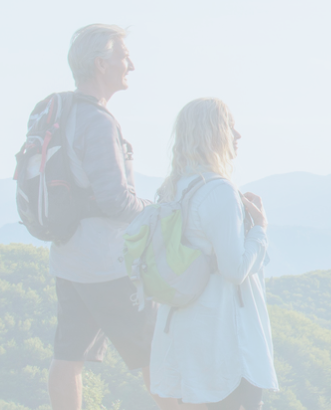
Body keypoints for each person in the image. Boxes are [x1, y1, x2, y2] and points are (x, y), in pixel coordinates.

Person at [48, 24, 179, 410]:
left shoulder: (65, 114)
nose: (131, 65)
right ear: (101, 64)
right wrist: (161, 214)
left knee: (68, 355)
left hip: (68, 256)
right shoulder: (98, 122)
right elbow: (115, 200)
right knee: (156, 352)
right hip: (107, 263)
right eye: (124, 57)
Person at [147, 98, 277, 410]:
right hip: (224, 335)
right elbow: (235, 269)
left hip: (184, 325)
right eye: (230, 126)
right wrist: (259, 228)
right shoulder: (219, 191)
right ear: (213, 133)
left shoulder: (173, 188)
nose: (238, 135)